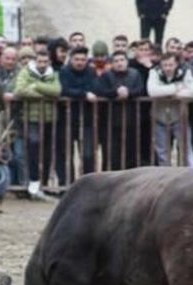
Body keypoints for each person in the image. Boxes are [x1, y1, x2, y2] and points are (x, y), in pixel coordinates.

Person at [14, 48, 61, 197]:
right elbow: (20, 90)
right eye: (40, 61)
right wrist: (44, 96)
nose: (42, 64)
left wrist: (36, 86)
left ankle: (45, 182)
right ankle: (34, 180)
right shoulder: (25, 72)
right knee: (33, 148)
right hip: (32, 118)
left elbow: (57, 90)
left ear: (49, 62)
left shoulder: (53, 73)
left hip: (49, 118)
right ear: (35, 61)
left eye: (45, 61)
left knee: (47, 151)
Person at [147, 51, 193, 166]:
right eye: (165, 65)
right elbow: (152, 91)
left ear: (176, 64)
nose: (167, 68)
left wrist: (164, 91)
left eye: (170, 65)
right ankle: (166, 180)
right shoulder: (154, 72)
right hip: (159, 118)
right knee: (163, 153)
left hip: (179, 117)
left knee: (186, 150)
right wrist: (176, 88)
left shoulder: (185, 72)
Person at [96, 50, 144, 171]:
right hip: (110, 122)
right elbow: (101, 91)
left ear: (127, 62)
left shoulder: (135, 74)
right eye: (116, 61)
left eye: (122, 60)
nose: (119, 63)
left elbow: (141, 90)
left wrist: (129, 93)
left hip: (131, 120)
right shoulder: (106, 75)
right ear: (111, 63)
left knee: (131, 154)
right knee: (111, 155)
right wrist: (115, 92)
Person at [57, 46, 99, 179]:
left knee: (88, 154)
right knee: (65, 154)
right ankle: (66, 185)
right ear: (71, 59)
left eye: (83, 59)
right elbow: (64, 90)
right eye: (77, 59)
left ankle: (88, 184)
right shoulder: (64, 71)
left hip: (87, 119)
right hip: (67, 119)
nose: (80, 62)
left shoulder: (91, 71)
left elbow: (95, 88)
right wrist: (84, 93)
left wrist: (78, 93)